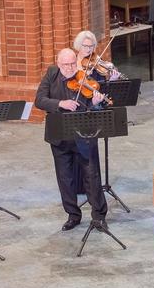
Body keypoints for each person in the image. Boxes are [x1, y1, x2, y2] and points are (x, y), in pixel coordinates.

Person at [34, 48, 109, 232]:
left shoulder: (85, 77)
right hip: (59, 135)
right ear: (58, 64)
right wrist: (60, 103)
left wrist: (95, 103)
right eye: (65, 64)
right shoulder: (51, 74)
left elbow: (90, 106)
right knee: (65, 178)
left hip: (84, 134)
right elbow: (39, 100)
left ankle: (99, 216)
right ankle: (73, 215)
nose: (69, 68)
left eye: (72, 64)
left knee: (92, 176)